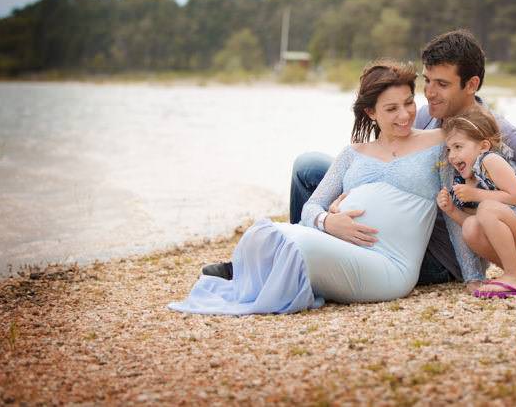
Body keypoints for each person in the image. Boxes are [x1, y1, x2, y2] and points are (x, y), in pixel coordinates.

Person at [285, 29, 516, 299]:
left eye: (442, 84)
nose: (429, 94)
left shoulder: (499, 133)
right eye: (427, 81)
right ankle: (290, 261)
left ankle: (299, 269)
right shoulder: (426, 115)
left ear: (471, 85)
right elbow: (380, 156)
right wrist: (342, 202)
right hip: (394, 220)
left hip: (435, 253)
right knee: (309, 168)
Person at [169, 60, 445, 314]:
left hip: (389, 263)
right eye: (391, 108)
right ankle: (259, 269)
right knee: (264, 234)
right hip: (337, 243)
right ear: (371, 112)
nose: (405, 115)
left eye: (409, 103)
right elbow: (312, 206)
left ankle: (265, 270)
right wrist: (328, 221)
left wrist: (473, 276)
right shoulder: (353, 153)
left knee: (294, 244)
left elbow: (456, 200)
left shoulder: (436, 142)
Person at [436, 107, 516, 298]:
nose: (452, 156)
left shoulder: (490, 160)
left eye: (458, 147)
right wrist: (451, 211)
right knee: (471, 227)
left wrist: (475, 194)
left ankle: (515, 277)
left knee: (487, 208)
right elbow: (482, 223)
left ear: (483, 146)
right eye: (449, 149)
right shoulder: (467, 178)